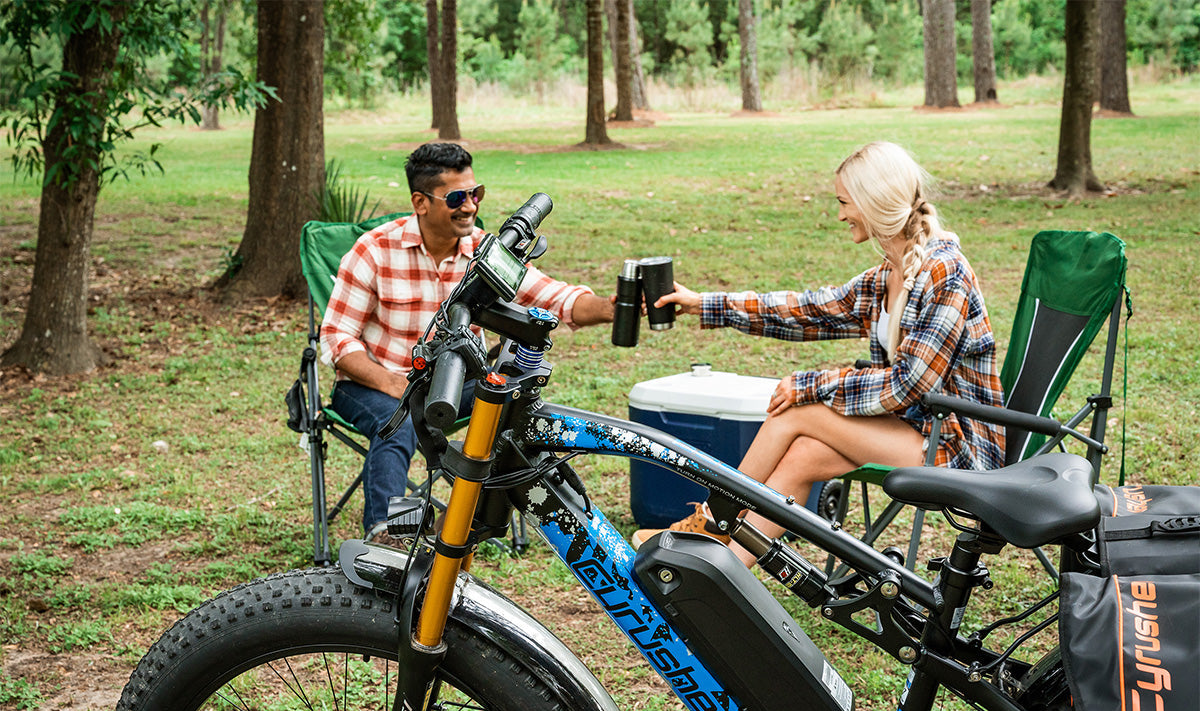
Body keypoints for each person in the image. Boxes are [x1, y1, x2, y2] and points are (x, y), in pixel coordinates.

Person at [632, 141, 1005, 566]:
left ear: (874, 201)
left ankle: (710, 522)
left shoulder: (944, 271)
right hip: (916, 430)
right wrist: (705, 303)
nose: (841, 214)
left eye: (845, 202)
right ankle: (721, 572)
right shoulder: (890, 272)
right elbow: (808, 312)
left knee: (797, 411)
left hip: (958, 447)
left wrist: (812, 384)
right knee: (803, 455)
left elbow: (909, 384)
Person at [321, 141, 615, 538]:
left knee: (511, 405)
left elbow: (554, 297)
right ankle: (390, 536)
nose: (470, 206)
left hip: (454, 383)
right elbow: (337, 339)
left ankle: (469, 522)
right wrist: (392, 383)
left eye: (475, 194)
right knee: (401, 420)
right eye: (457, 197)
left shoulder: (484, 254)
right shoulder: (373, 251)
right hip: (372, 384)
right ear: (420, 203)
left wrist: (611, 309)